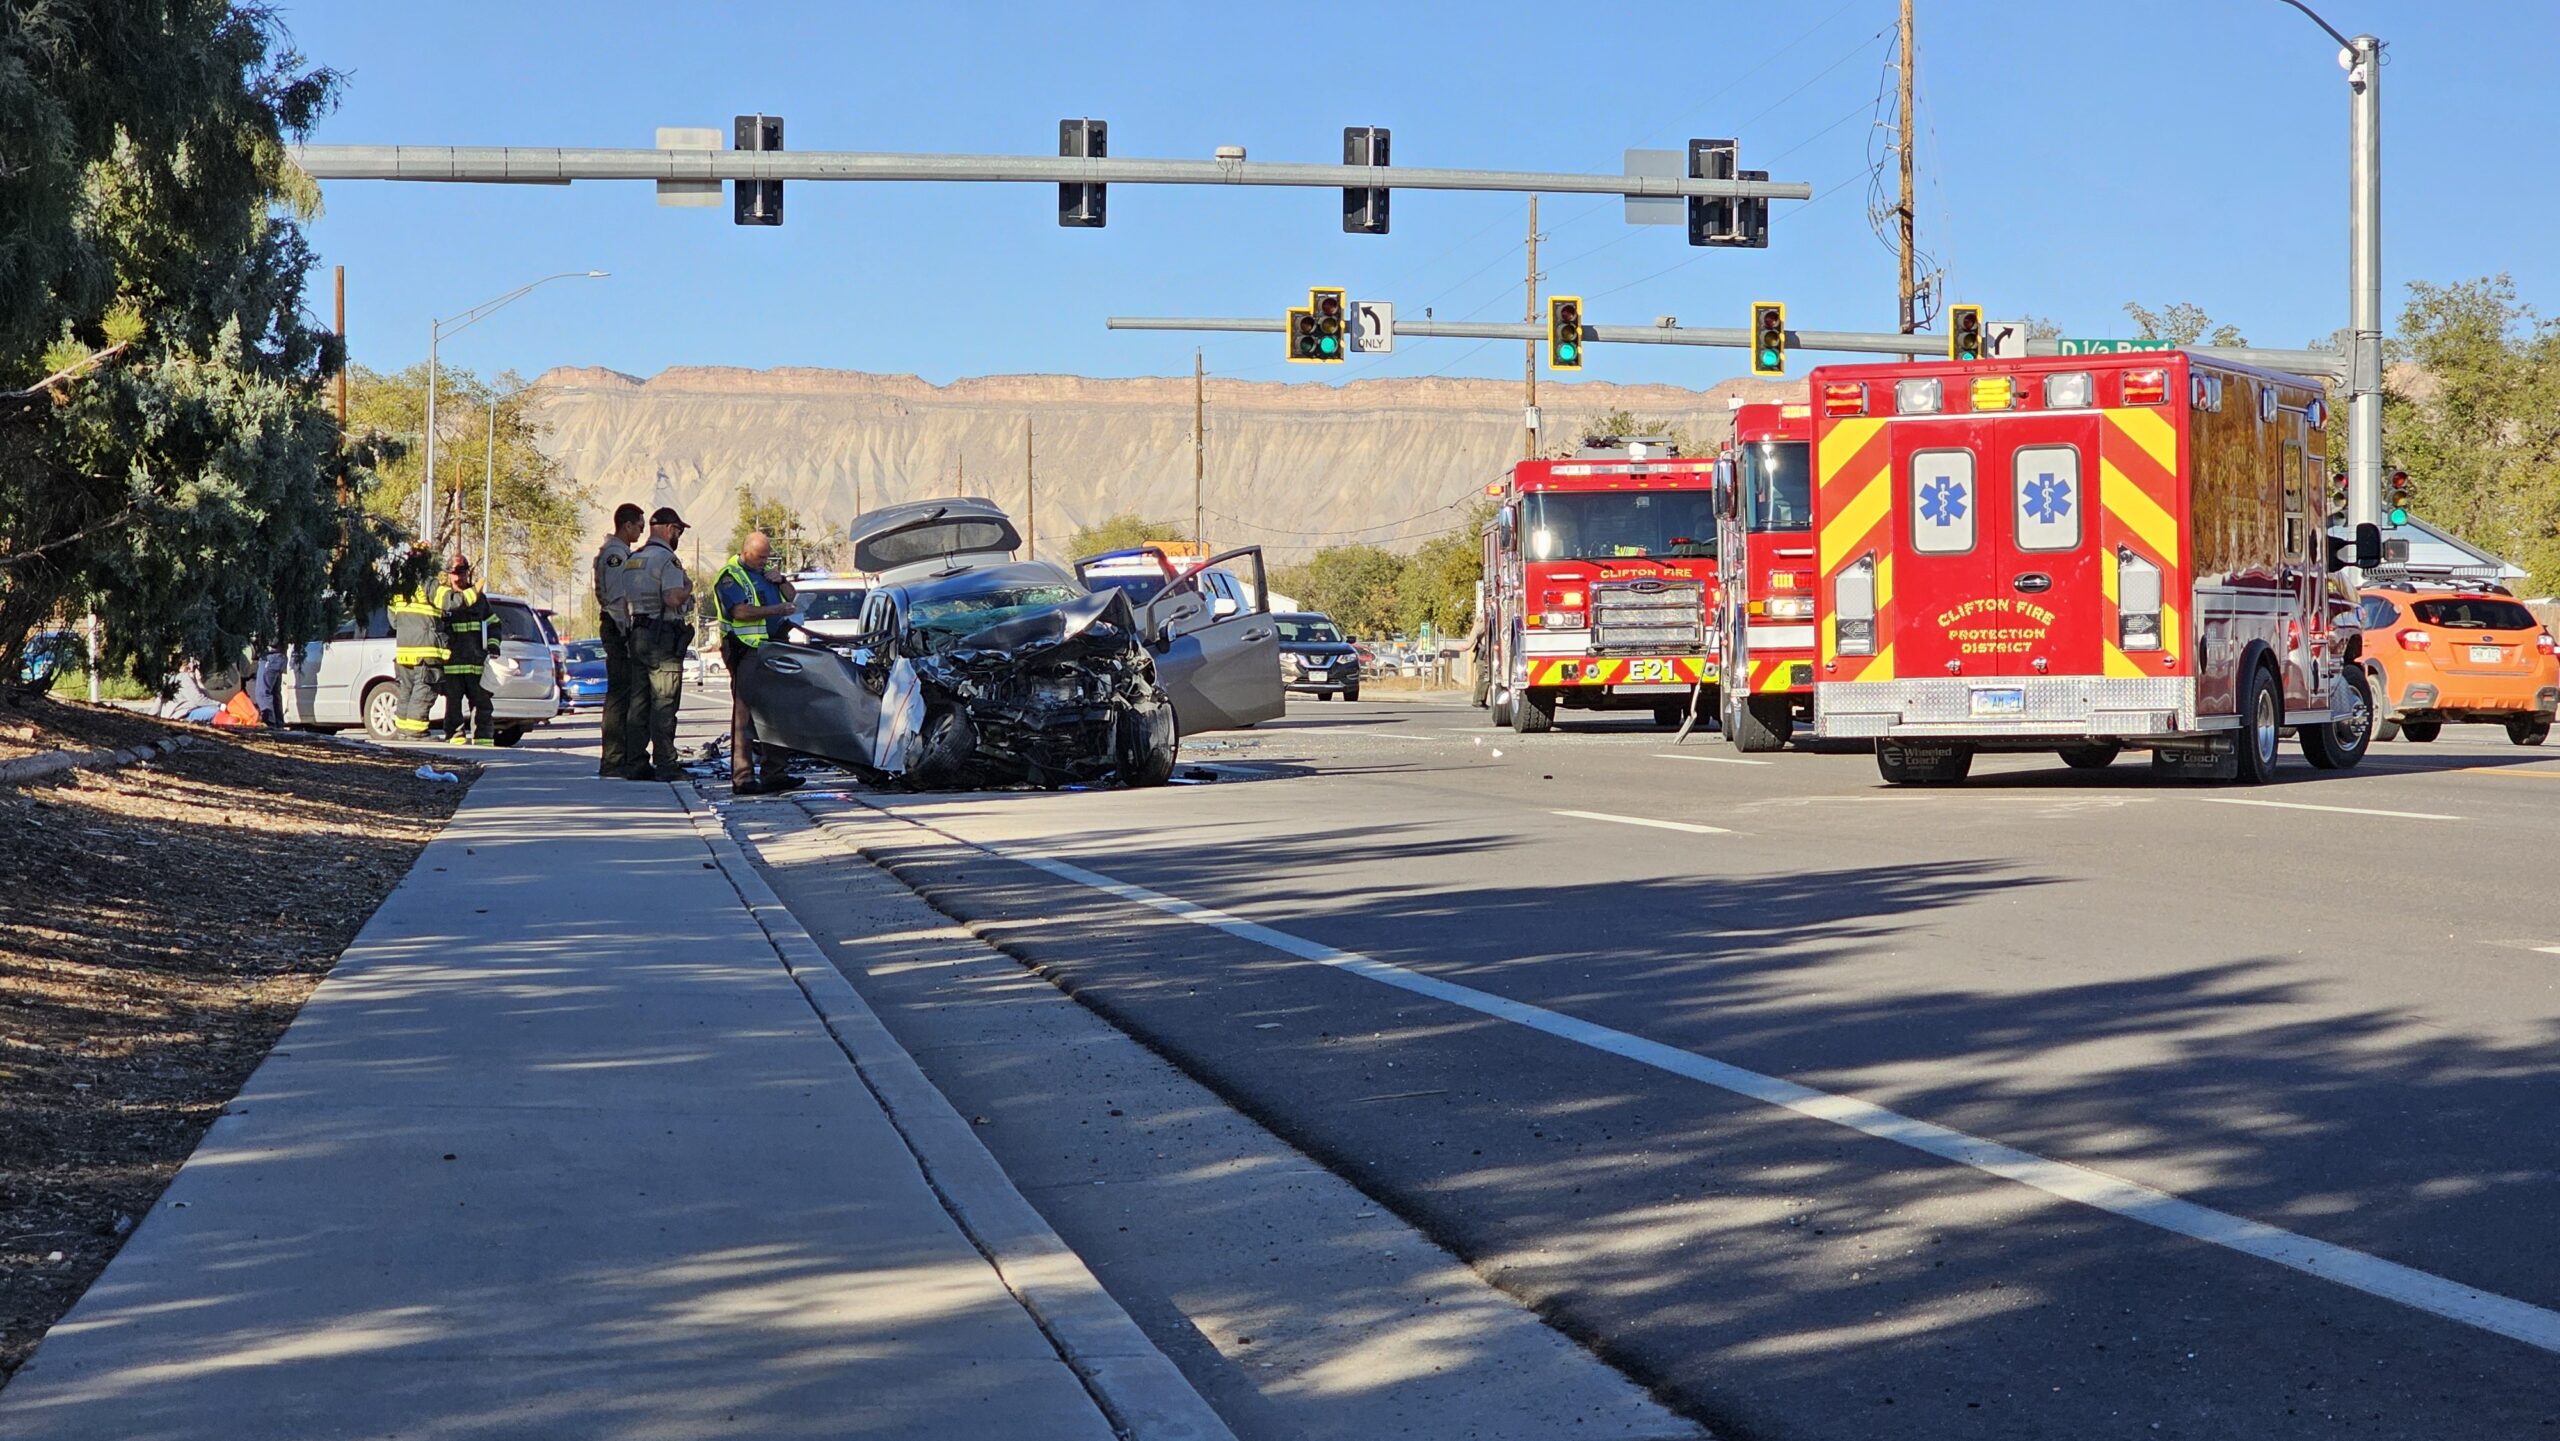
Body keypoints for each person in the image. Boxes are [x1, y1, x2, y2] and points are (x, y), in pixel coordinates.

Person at [714, 530, 803, 795]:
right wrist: (775, 610)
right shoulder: (730, 576)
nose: (765, 561)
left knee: (777, 710)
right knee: (745, 715)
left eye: (767, 557)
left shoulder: (765, 574)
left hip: (774, 647)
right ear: (746, 552)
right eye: (760, 557)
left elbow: (792, 595)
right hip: (747, 652)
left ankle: (775, 772)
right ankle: (742, 778)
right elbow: (740, 612)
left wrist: (781, 580)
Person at [619, 506, 693, 781]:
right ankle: (666, 764)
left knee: (638, 702)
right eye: (678, 531)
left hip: (638, 632)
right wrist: (689, 588)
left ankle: (635, 761)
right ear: (666, 528)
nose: (679, 536)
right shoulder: (666, 560)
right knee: (664, 702)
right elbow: (673, 598)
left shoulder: (634, 559)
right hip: (663, 638)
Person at [591, 503, 645, 778]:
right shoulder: (615, 556)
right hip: (617, 627)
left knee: (624, 693)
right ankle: (613, 760)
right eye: (639, 526)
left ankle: (620, 756)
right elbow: (616, 599)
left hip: (618, 626)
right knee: (619, 694)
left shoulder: (620, 553)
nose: (641, 531)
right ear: (627, 525)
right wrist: (626, 633)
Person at [388, 545, 449, 741]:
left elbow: (394, 621)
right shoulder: (429, 584)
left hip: (404, 651)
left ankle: (404, 731)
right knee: (424, 690)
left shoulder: (398, 587)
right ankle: (416, 732)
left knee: (407, 690)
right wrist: (469, 594)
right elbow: (448, 602)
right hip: (425, 652)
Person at [437, 555, 497, 745]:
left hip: (476, 663)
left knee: (482, 704)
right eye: (453, 573)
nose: (457, 578)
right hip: (452, 664)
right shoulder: (444, 598)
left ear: (467, 572)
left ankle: (484, 740)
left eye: (460, 573)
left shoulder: (480, 599)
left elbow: (494, 623)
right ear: (448, 575)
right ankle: (455, 739)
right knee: (453, 706)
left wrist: (493, 646)